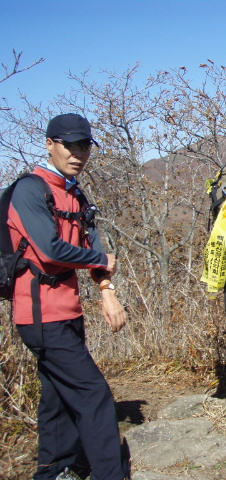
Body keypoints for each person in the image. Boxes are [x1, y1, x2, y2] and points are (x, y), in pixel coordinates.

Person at [8, 114, 129, 480]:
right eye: (69, 145)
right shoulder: (30, 190)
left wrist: (107, 290)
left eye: (84, 146)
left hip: (67, 311)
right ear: (49, 144)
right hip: (40, 314)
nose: (77, 153)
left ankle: (54, 471)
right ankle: (110, 474)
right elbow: (48, 250)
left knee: (57, 396)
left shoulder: (74, 192)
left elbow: (93, 241)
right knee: (93, 394)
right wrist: (100, 260)